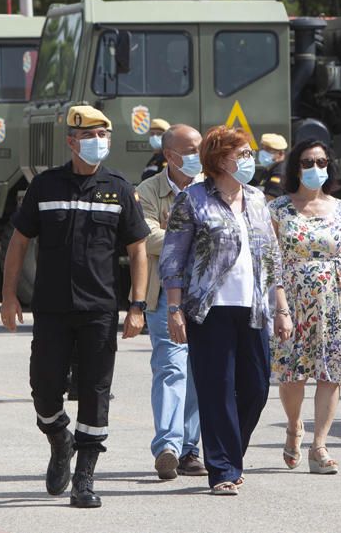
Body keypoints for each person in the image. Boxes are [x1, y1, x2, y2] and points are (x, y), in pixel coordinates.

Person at [1, 105, 149, 508]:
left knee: (96, 391)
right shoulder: (46, 186)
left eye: (102, 136)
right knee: (45, 390)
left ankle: (84, 477)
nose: (96, 143)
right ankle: (59, 438)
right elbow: (19, 241)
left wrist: (137, 305)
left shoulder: (119, 188)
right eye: (88, 137)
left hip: (99, 310)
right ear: (71, 141)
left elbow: (137, 250)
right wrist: (9, 294)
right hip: (51, 308)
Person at [161, 125, 292, 496]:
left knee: (255, 388)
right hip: (210, 308)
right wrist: (174, 308)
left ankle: (230, 453)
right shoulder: (193, 199)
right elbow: (173, 259)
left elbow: (272, 258)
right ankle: (221, 469)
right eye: (242, 154)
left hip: (254, 308)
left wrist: (281, 308)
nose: (249, 160)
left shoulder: (257, 198)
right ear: (220, 160)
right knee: (217, 390)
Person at [270, 139, 341, 474]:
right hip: (295, 296)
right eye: (307, 162)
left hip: (334, 296)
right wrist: (279, 304)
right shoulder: (279, 209)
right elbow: (273, 261)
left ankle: (320, 446)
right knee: (292, 373)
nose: (315, 168)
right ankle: (294, 426)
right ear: (295, 167)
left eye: (321, 161)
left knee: (331, 373)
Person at [136, 124, 207, 481]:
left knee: (197, 370)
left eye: (201, 148)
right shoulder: (147, 190)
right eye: (191, 149)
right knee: (170, 366)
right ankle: (168, 446)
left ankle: (190, 449)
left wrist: (180, 237)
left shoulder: (213, 187)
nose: (198, 155)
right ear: (170, 155)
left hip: (207, 294)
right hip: (164, 293)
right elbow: (148, 238)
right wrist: (198, 235)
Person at [256, 133, 288, 201]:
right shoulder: (269, 169)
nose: (263, 153)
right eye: (262, 148)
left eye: (268, 150)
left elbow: (271, 198)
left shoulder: (280, 172)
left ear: (280, 154)